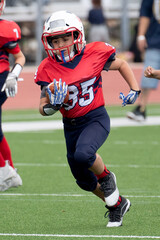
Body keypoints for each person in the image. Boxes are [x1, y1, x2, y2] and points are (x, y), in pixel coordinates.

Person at [34, 10, 141, 227]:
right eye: (56, 40)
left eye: (66, 37)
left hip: (95, 118)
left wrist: (134, 89)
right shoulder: (47, 68)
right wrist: (54, 106)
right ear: (48, 42)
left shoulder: (94, 53)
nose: (61, 44)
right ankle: (117, 204)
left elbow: (121, 64)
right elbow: (42, 107)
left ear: (77, 36)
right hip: (70, 125)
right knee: (83, 180)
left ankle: (107, 177)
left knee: (84, 154)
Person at [0, 0, 25, 191]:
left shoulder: (5, 29)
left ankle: (5, 172)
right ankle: (11, 171)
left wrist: (13, 75)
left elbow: (20, 56)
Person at [127, 0, 160, 121]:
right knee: (149, 73)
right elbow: (145, 13)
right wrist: (141, 35)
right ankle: (141, 108)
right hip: (155, 40)